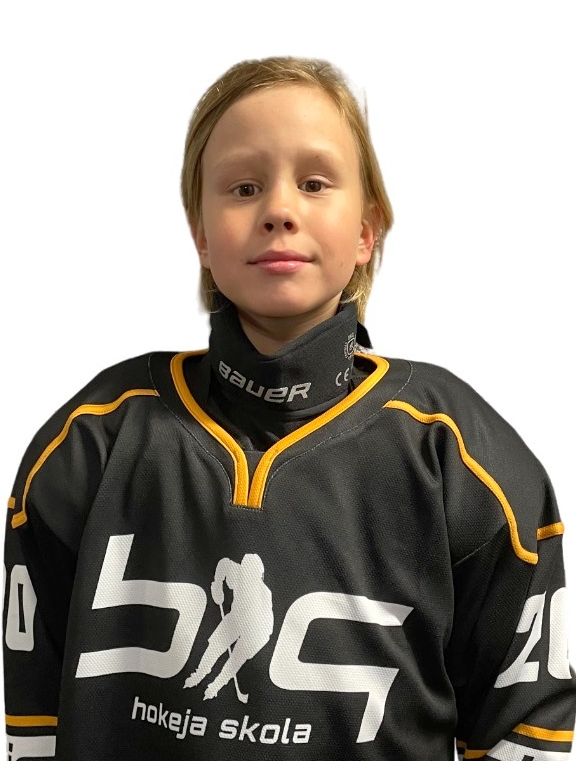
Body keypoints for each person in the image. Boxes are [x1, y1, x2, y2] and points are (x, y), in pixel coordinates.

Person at [3, 56, 575, 761]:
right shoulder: (90, 442)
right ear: (200, 232)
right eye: (243, 187)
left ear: (367, 229)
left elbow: (526, 727)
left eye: (314, 183)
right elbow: (34, 726)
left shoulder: (462, 458)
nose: (279, 210)